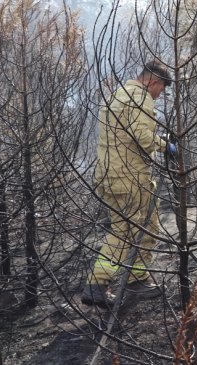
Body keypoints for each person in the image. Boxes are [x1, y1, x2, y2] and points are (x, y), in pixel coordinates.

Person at [82, 60, 177, 308]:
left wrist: (158, 140)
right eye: (162, 90)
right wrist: (165, 145)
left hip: (108, 175)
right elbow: (142, 137)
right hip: (129, 176)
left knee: (132, 229)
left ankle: (137, 278)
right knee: (130, 232)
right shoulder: (140, 97)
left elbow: (126, 133)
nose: (159, 96)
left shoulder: (118, 94)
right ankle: (96, 284)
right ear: (153, 82)